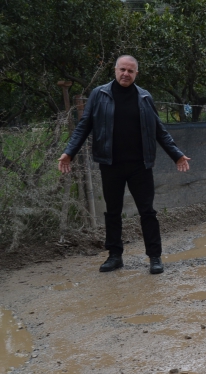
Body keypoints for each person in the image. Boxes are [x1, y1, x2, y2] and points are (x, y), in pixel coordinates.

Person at [58, 55, 191, 274]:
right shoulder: (99, 95)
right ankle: (115, 256)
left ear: (136, 74)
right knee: (113, 212)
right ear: (115, 70)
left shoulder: (144, 97)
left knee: (147, 212)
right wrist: (69, 153)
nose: (125, 74)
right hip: (111, 164)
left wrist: (176, 154)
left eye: (130, 71)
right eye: (122, 69)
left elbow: (159, 130)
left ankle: (155, 258)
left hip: (140, 165)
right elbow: (84, 126)